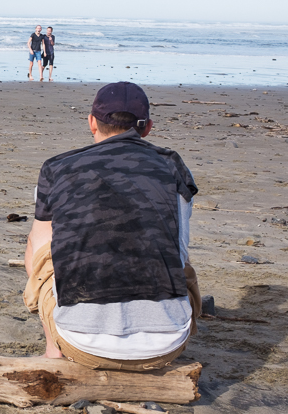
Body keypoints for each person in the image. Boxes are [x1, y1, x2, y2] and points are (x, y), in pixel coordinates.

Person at [23, 81, 202, 371]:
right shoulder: (173, 167)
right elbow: (179, 247)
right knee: (174, 253)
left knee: (41, 250)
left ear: (92, 122)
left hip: (79, 343)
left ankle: (53, 351)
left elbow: (39, 245)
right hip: (167, 345)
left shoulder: (57, 168)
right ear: (147, 128)